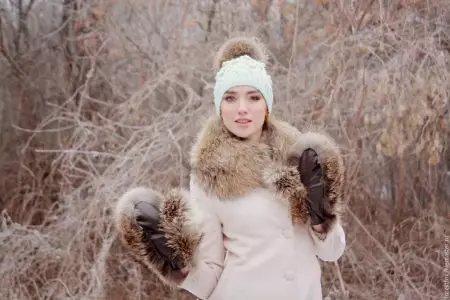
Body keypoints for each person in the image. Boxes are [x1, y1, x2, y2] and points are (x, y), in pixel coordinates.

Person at [114, 36, 346, 300]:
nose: (242, 109)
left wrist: (322, 219)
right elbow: (212, 276)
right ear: (219, 106)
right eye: (231, 98)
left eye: (253, 97)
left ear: (267, 104)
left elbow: (332, 252)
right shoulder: (208, 175)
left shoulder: (302, 160)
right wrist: (178, 266)